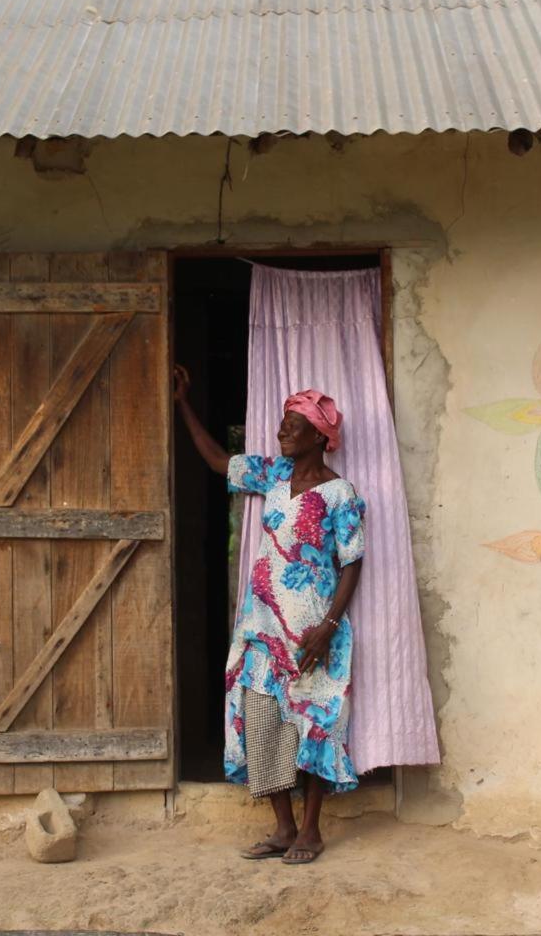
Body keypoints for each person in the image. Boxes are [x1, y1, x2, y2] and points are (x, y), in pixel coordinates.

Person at [174, 365, 366, 864]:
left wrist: (326, 629)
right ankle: (281, 827)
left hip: (312, 634)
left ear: (319, 435)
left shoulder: (340, 494)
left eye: (292, 423)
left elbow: (351, 563)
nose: (282, 430)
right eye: (282, 422)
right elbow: (219, 460)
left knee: (314, 722)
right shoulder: (274, 475)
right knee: (262, 722)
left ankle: (311, 831)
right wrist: (182, 403)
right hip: (261, 630)